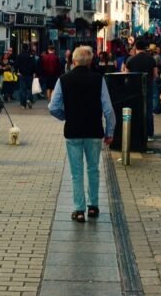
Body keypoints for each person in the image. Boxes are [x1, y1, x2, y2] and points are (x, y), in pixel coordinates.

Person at [48, 46, 116, 223]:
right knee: (93, 169)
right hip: (94, 131)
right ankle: (93, 206)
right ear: (90, 61)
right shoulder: (98, 80)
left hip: (73, 131)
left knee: (76, 172)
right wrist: (110, 132)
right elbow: (108, 110)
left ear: (74, 61)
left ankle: (79, 210)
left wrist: (66, 116)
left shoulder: (63, 80)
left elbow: (53, 107)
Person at [126, 42, 158, 139]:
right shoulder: (151, 59)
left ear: (136, 47)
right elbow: (155, 75)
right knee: (148, 110)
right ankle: (149, 134)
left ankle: (137, 133)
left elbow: (127, 76)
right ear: (145, 47)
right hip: (148, 87)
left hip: (135, 89)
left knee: (136, 110)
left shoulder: (130, 60)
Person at [15, 44, 38, 109]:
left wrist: (17, 72)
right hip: (30, 75)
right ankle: (29, 99)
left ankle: (23, 104)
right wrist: (35, 73)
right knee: (30, 89)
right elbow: (34, 65)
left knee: (22, 89)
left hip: (22, 75)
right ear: (28, 48)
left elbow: (16, 65)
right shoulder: (31, 55)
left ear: (22, 48)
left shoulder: (20, 56)